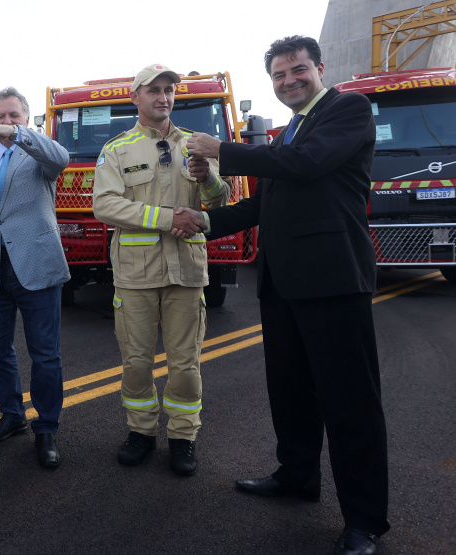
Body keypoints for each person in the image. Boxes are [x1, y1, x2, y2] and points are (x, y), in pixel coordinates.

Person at [182, 36, 388, 554]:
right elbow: (261, 207)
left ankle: (364, 520)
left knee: (350, 403)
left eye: (298, 70)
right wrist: (203, 221)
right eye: (279, 74)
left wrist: (222, 150)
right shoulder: (288, 132)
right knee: (291, 391)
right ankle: (297, 476)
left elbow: (308, 163)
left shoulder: (347, 110)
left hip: (333, 280)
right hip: (282, 281)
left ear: (320, 68)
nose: (289, 80)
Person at [93, 64, 230, 477]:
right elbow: (105, 205)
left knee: (185, 365)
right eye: (153, 90)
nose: (163, 97)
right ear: (135, 97)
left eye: (169, 90)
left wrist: (207, 181)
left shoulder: (195, 144)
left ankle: (183, 436)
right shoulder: (117, 150)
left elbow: (219, 201)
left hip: (186, 272)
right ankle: (141, 432)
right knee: (136, 362)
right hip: (135, 276)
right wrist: (168, 218)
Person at [0, 87, 70, 469]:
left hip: (36, 266)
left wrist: (16, 134)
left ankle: (47, 428)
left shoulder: (38, 153)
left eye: (13, 116)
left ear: (25, 120)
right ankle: (12, 415)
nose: (5, 122)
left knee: (45, 354)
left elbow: (61, 157)